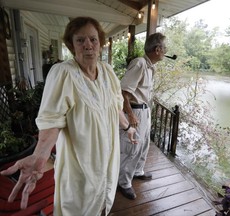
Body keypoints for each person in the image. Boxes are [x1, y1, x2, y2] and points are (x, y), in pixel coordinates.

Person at [0, 16, 137, 216]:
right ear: (72, 46)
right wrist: (39, 156)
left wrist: (128, 128)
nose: (88, 45)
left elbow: (114, 108)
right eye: (80, 40)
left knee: (103, 203)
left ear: (100, 43)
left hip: (108, 160)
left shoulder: (108, 72)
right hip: (80, 166)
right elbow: (51, 122)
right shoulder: (63, 73)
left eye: (93, 39)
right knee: (79, 207)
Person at [118, 32, 167, 200]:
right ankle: (123, 182)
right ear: (158, 49)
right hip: (136, 111)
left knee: (144, 144)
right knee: (132, 148)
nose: (166, 51)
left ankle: (137, 171)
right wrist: (130, 115)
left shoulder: (150, 67)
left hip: (145, 111)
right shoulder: (139, 64)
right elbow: (124, 92)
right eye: (164, 48)